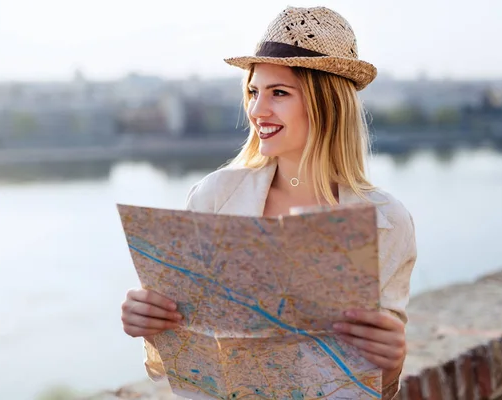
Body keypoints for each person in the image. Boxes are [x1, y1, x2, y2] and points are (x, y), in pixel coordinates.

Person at [121, 5, 416, 399]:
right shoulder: (213, 197)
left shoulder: (387, 222)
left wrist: (392, 359)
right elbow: (179, 352)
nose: (257, 109)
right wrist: (150, 321)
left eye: (279, 93)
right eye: (254, 91)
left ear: (326, 103)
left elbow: (378, 384)